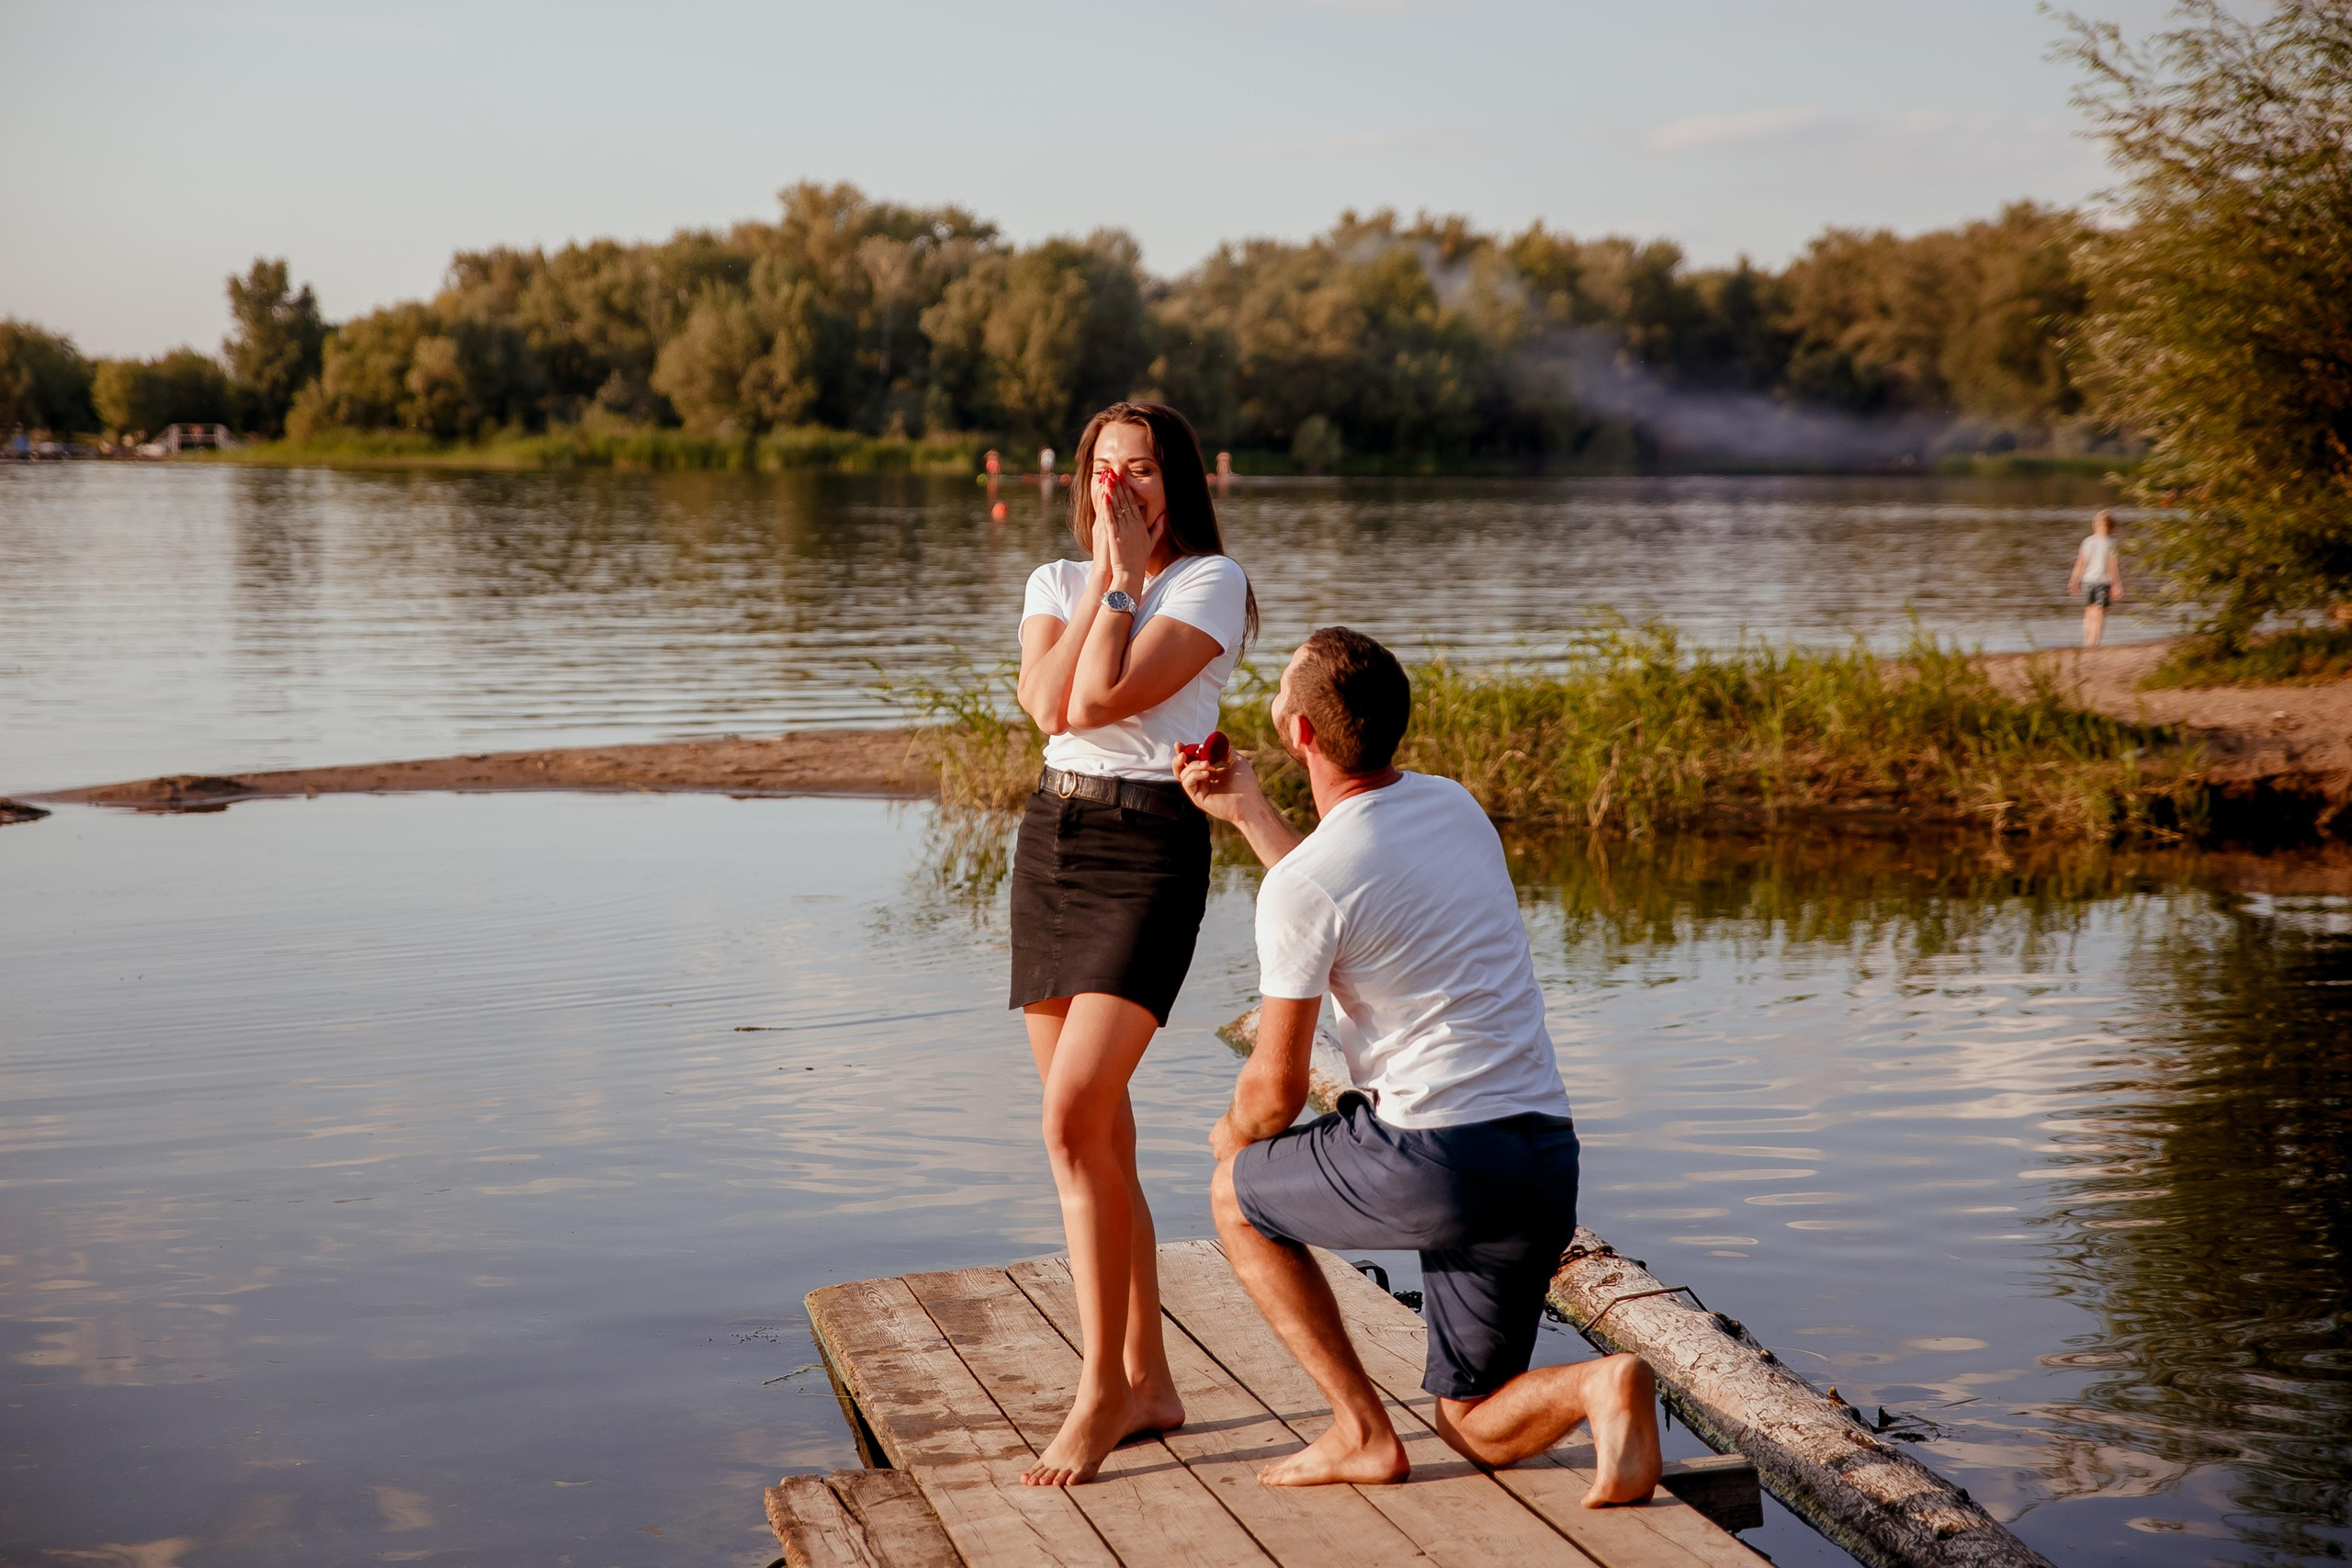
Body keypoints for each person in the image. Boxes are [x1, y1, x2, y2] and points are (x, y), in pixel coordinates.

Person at [1175, 627, 1662, 1502]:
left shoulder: (1309, 884)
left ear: (1300, 735)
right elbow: (1346, 898)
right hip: (1542, 1156)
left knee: (1234, 1196)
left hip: (1439, 1161)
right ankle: (1601, 1384)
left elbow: (1276, 1091)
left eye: (1282, 690)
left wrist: (1232, 1139)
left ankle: (1360, 1432)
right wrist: (1250, 809)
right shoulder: (1453, 805)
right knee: (1472, 1418)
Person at [1011, 401, 1259, 1485]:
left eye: (1144, 470)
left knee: (1070, 1122)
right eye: (1107, 471)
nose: (1124, 488)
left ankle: (1100, 1387)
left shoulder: (1210, 582)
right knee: (1096, 1133)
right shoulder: (1052, 584)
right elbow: (1044, 704)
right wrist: (1099, 584)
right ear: (1085, 481)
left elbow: (1101, 693)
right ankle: (1152, 1379)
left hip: (1148, 849)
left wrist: (1120, 581)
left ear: (1179, 482)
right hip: (1052, 838)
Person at [2067, 511, 2124, 648]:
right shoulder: (2111, 543)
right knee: (2099, 612)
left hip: (2088, 580)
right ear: (2111, 527)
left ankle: (2088, 642)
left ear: (2095, 525)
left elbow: (2080, 563)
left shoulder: (2088, 542)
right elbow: (2112, 566)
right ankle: (2094, 643)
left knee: (2089, 611)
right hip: (2103, 581)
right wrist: (2117, 584)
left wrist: (2074, 581)